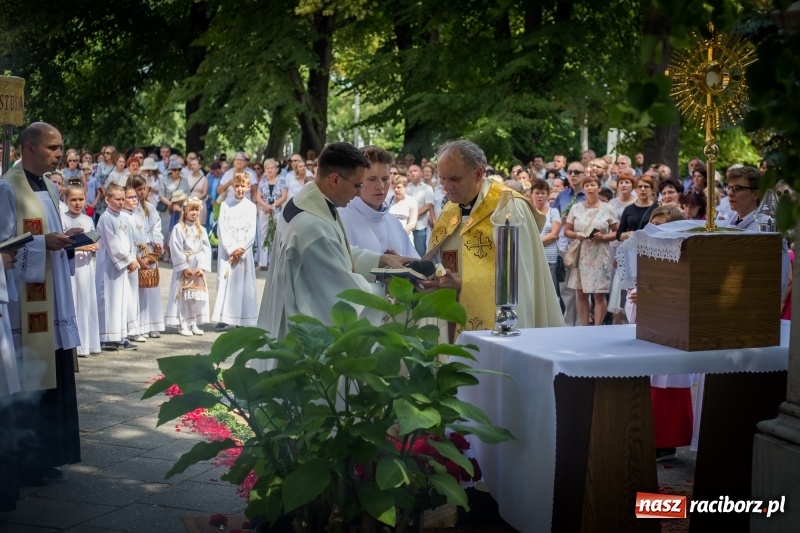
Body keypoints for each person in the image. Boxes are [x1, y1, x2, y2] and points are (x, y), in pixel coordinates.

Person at [257, 142, 412, 346]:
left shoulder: (310, 200)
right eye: (358, 184)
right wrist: (386, 289)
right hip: (302, 333)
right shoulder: (312, 227)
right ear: (335, 179)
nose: (358, 192)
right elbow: (341, 291)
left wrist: (381, 260)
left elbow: (336, 249)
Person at [0, 122, 82, 488]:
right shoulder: (7, 187)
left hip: (54, 294)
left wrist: (68, 240)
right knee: (32, 376)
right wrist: (40, 243)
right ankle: (27, 462)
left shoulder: (50, 184)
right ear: (29, 148)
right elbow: (4, 244)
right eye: (52, 148)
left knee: (52, 373)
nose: (59, 154)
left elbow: (47, 231)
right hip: (27, 300)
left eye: (60, 147)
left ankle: (49, 455)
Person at [420, 140, 564, 338]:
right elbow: (436, 259)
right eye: (442, 179)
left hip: (497, 324)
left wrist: (462, 283)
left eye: (454, 179)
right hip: (452, 317)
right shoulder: (450, 209)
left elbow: (519, 279)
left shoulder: (508, 208)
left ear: (478, 174)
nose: (446, 187)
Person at [339, 145, 419, 259]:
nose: (380, 186)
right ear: (356, 180)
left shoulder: (393, 222)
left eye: (385, 179)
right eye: (372, 179)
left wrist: (403, 264)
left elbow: (415, 263)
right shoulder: (341, 220)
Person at [564, 173, 620, 326]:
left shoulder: (608, 208)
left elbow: (618, 232)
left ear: (599, 188)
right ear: (583, 188)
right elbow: (566, 231)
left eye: (593, 185)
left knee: (599, 295)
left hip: (600, 253)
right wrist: (577, 234)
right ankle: (584, 327)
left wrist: (604, 237)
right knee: (581, 294)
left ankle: (597, 327)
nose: (590, 188)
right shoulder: (576, 208)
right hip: (581, 253)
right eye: (587, 185)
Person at [212, 172, 258, 329]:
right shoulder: (226, 205)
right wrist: (232, 249)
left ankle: (241, 318)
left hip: (243, 251)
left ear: (248, 187)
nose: (239, 189)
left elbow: (252, 231)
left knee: (243, 285)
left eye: (243, 186)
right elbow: (222, 229)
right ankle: (224, 317)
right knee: (225, 281)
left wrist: (242, 250)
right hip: (228, 251)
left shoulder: (251, 207)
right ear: (233, 186)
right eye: (237, 186)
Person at [96, 183, 138, 351]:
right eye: (117, 199)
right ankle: (106, 337)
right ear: (107, 199)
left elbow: (128, 241)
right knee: (109, 298)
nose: (121, 202)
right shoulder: (105, 218)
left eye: (123, 199)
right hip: (109, 266)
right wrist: (128, 260)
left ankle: (120, 335)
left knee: (121, 300)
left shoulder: (122, 218)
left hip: (121, 266)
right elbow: (113, 244)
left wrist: (131, 259)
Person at [61, 185, 101, 357]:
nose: (77, 203)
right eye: (73, 200)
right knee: (73, 302)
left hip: (85, 267)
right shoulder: (62, 219)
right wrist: (81, 247)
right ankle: (73, 344)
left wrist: (94, 245)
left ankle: (87, 343)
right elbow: (62, 244)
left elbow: (93, 238)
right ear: (66, 200)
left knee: (86, 302)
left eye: (81, 199)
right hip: (71, 267)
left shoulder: (88, 219)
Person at [165, 196, 212, 336]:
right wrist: (183, 267)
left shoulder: (201, 230)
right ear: (185, 210)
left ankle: (193, 322)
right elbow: (175, 248)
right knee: (183, 294)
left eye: (196, 210)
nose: (194, 213)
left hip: (197, 266)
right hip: (185, 265)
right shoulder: (178, 228)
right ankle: (183, 323)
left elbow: (206, 248)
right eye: (191, 210)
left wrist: (202, 267)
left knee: (195, 295)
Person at [128, 175, 165, 338]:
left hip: (149, 250)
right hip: (137, 251)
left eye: (143, 188)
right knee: (138, 288)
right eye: (137, 189)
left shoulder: (149, 207)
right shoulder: (128, 210)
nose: (141, 192)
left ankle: (153, 324)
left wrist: (157, 241)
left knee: (151, 287)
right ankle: (138, 326)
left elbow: (156, 226)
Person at [253, 159, 288, 269]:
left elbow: (284, 196)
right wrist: (266, 206)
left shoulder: (281, 180)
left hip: (277, 211)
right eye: (267, 168)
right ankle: (262, 262)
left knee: (277, 235)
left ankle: (276, 262)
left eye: (272, 168)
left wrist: (273, 206)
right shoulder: (262, 181)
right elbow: (258, 196)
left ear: (276, 169)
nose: (270, 170)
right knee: (263, 236)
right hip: (264, 211)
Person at [530, 178, 561, 297]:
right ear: (531, 194)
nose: (540, 196)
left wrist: (534, 242)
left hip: (549, 258)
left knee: (549, 293)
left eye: (543, 193)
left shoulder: (553, 212)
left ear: (548, 195)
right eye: (537, 193)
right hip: (531, 257)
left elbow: (554, 234)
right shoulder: (527, 211)